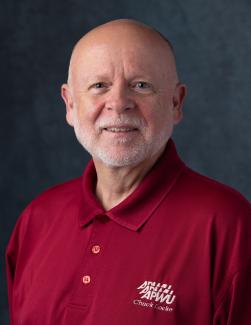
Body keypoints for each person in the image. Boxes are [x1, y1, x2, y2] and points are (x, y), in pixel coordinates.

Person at [6, 19, 251, 325]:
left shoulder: (231, 225)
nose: (119, 103)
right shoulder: (37, 219)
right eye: (99, 86)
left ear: (175, 102)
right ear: (70, 104)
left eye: (141, 85)